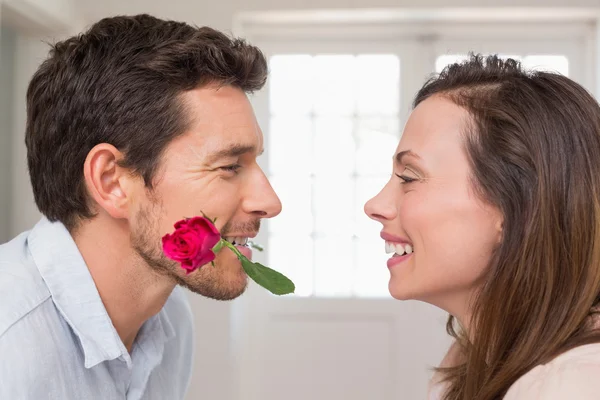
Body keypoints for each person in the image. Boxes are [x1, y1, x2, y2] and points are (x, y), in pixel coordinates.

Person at [0, 14, 281, 399]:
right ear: (112, 182)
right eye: (230, 166)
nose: (270, 202)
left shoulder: (170, 320)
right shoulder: (8, 349)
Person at [364, 54, 600, 399]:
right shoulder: (470, 363)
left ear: (519, 205)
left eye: (409, 177)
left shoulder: (572, 384)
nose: (375, 205)